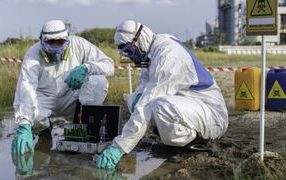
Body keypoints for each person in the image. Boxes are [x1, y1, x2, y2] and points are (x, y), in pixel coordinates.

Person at [95, 20, 228, 169]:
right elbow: (143, 88)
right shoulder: (151, 51)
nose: (129, 56)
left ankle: (195, 142)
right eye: (124, 52)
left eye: (128, 50)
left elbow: (148, 102)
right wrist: (138, 102)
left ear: (139, 39)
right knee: (134, 100)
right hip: (190, 106)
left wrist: (120, 147)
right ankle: (175, 138)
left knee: (159, 105)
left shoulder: (167, 55)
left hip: (212, 115)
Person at [11, 20, 114, 155]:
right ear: (42, 41)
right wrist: (24, 124)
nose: (55, 47)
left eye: (60, 42)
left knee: (98, 81)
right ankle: (44, 128)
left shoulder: (80, 44)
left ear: (67, 40)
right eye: (50, 43)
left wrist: (87, 67)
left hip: (71, 96)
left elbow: (109, 65)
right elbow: (26, 87)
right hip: (45, 98)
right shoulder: (32, 54)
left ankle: (83, 126)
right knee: (29, 115)